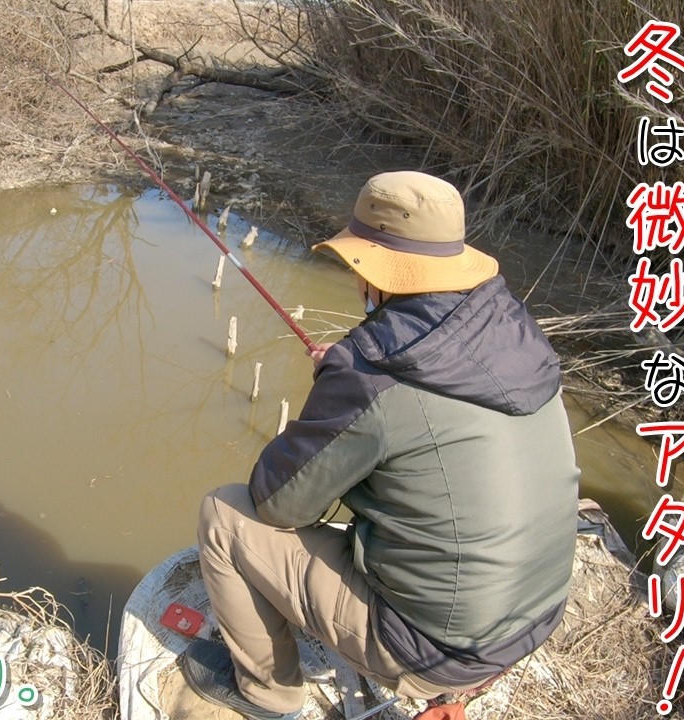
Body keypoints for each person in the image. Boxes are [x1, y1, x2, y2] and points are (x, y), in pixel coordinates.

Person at [179, 171, 580, 720]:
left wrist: (338, 388)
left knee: (223, 515)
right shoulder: (514, 333)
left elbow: (279, 502)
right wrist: (348, 381)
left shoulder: (369, 372)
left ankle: (269, 695)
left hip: (439, 653)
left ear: (372, 267)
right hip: (535, 616)